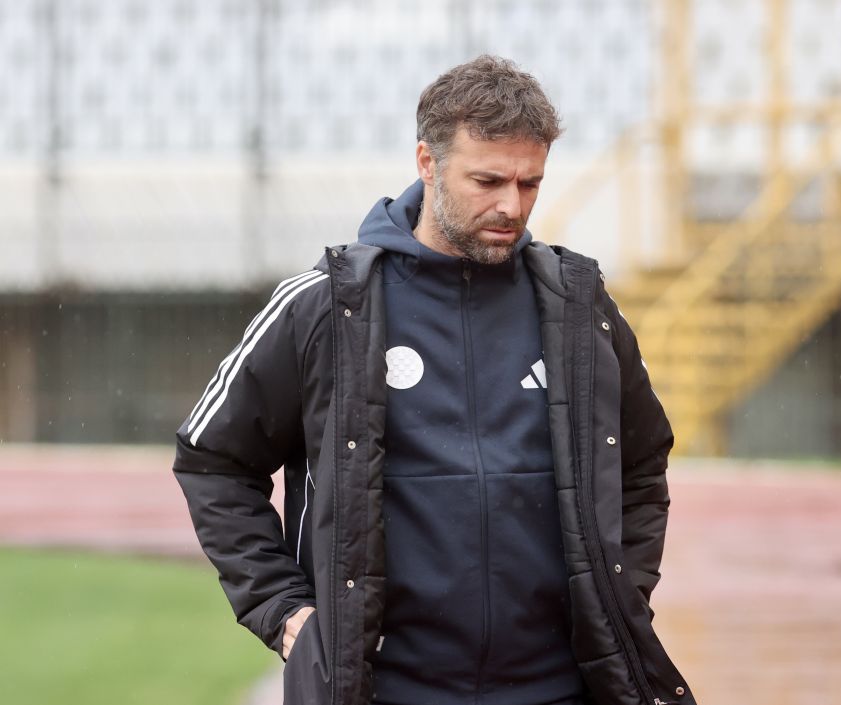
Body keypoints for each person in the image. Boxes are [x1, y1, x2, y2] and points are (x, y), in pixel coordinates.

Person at [174, 55, 695, 705]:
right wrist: (283, 610)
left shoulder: (579, 308)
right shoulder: (326, 306)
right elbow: (212, 458)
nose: (511, 205)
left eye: (530, 183)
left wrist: (622, 596)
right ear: (427, 161)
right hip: (382, 690)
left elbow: (641, 465)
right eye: (487, 180)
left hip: (559, 690)